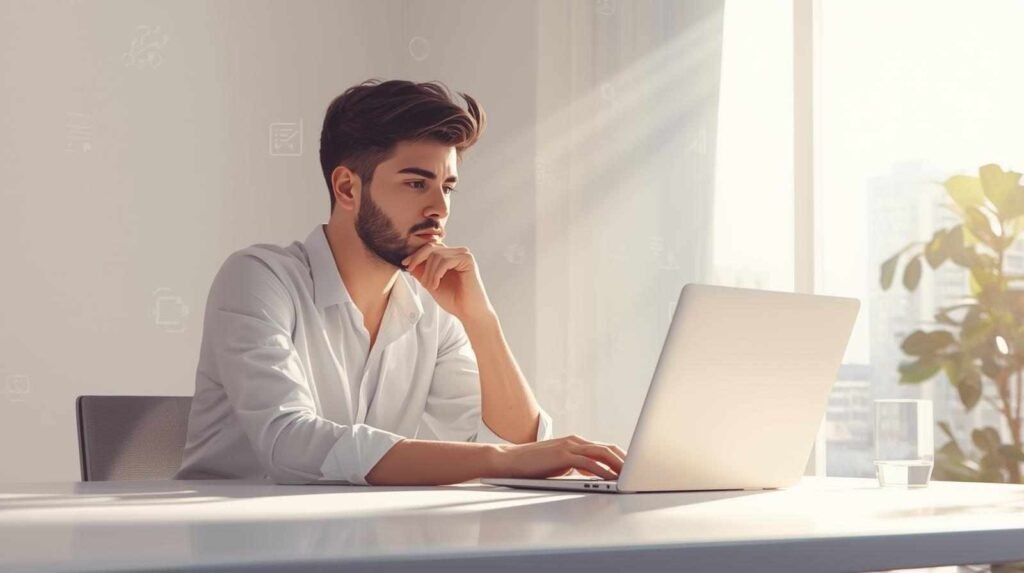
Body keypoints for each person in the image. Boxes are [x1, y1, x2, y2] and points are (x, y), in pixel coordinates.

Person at [175, 79, 626, 485]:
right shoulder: (258, 279)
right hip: (233, 546)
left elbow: (522, 443)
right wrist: (500, 459)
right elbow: (290, 444)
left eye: (447, 187)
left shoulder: (432, 309)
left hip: (363, 542)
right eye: (416, 184)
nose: (440, 209)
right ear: (348, 189)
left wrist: (480, 320)